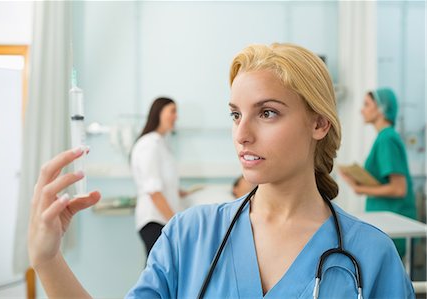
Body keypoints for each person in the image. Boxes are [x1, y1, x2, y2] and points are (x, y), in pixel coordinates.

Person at [28, 43, 414, 298]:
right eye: (235, 115)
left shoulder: (370, 255)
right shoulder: (188, 236)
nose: (242, 134)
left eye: (267, 113)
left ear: (319, 124)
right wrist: (48, 260)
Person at [339, 88, 417, 258]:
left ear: (381, 109)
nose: (362, 110)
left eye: (367, 104)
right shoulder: (385, 138)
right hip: (387, 223)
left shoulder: (387, 139)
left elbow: (398, 189)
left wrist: (360, 190)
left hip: (395, 225)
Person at [130, 97, 185, 257]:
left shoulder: (160, 144)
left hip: (161, 221)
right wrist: (175, 224)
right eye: (172, 111)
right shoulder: (150, 144)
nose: (176, 116)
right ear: (159, 113)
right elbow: (153, 190)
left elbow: (160, 182)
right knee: (157, 277)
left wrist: (178, 191)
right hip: (154, 220)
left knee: (159, 276)